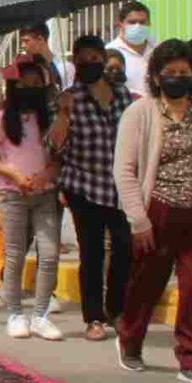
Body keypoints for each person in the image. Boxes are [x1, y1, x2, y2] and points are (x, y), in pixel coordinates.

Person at [113, 39, 192, 383]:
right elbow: (124, 170)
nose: (178, 78)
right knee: (146, 285)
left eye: (184, 72)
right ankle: (130, 339)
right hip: (157, 212)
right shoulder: (140, 113)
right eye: (170, 72)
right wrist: (138, 219)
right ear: (157, 76)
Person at [49, 35, 135, 342]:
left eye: (94, 58)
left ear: (103, 58)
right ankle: (93, 317)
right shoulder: (69, 98)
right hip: (83, 185)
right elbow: (54, 146)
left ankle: (117, 310)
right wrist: (63, 113)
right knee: (92, 252)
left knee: (124, 249)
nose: (89, 64)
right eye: (82, 60)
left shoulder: (123, 95)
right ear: (75, 63)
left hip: (120, 185)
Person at [0, 56, 64, 341]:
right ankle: (15, 314)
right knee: (15, 255)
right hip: (12, 195)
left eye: (36, 83)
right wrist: (13, 174)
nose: (31, 89)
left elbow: (57, 159)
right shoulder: (1, 120)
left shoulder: (49, 120)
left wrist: (46, 175)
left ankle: (40, 316)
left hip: (44, 194)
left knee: (49, 254)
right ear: (14, 88)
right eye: (25, 84)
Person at [106, 1, 154, 97]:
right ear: (120, 24)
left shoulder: (158, 49)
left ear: (149, 24)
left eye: (142, 22)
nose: (138, 26)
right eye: (132, 22)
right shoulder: (110, 53)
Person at [19, 21, 71, 90]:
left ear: (40, 39)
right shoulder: (24, 67)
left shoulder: (63, 68)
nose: (22, 45)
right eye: (21, 41)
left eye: (26, 41)